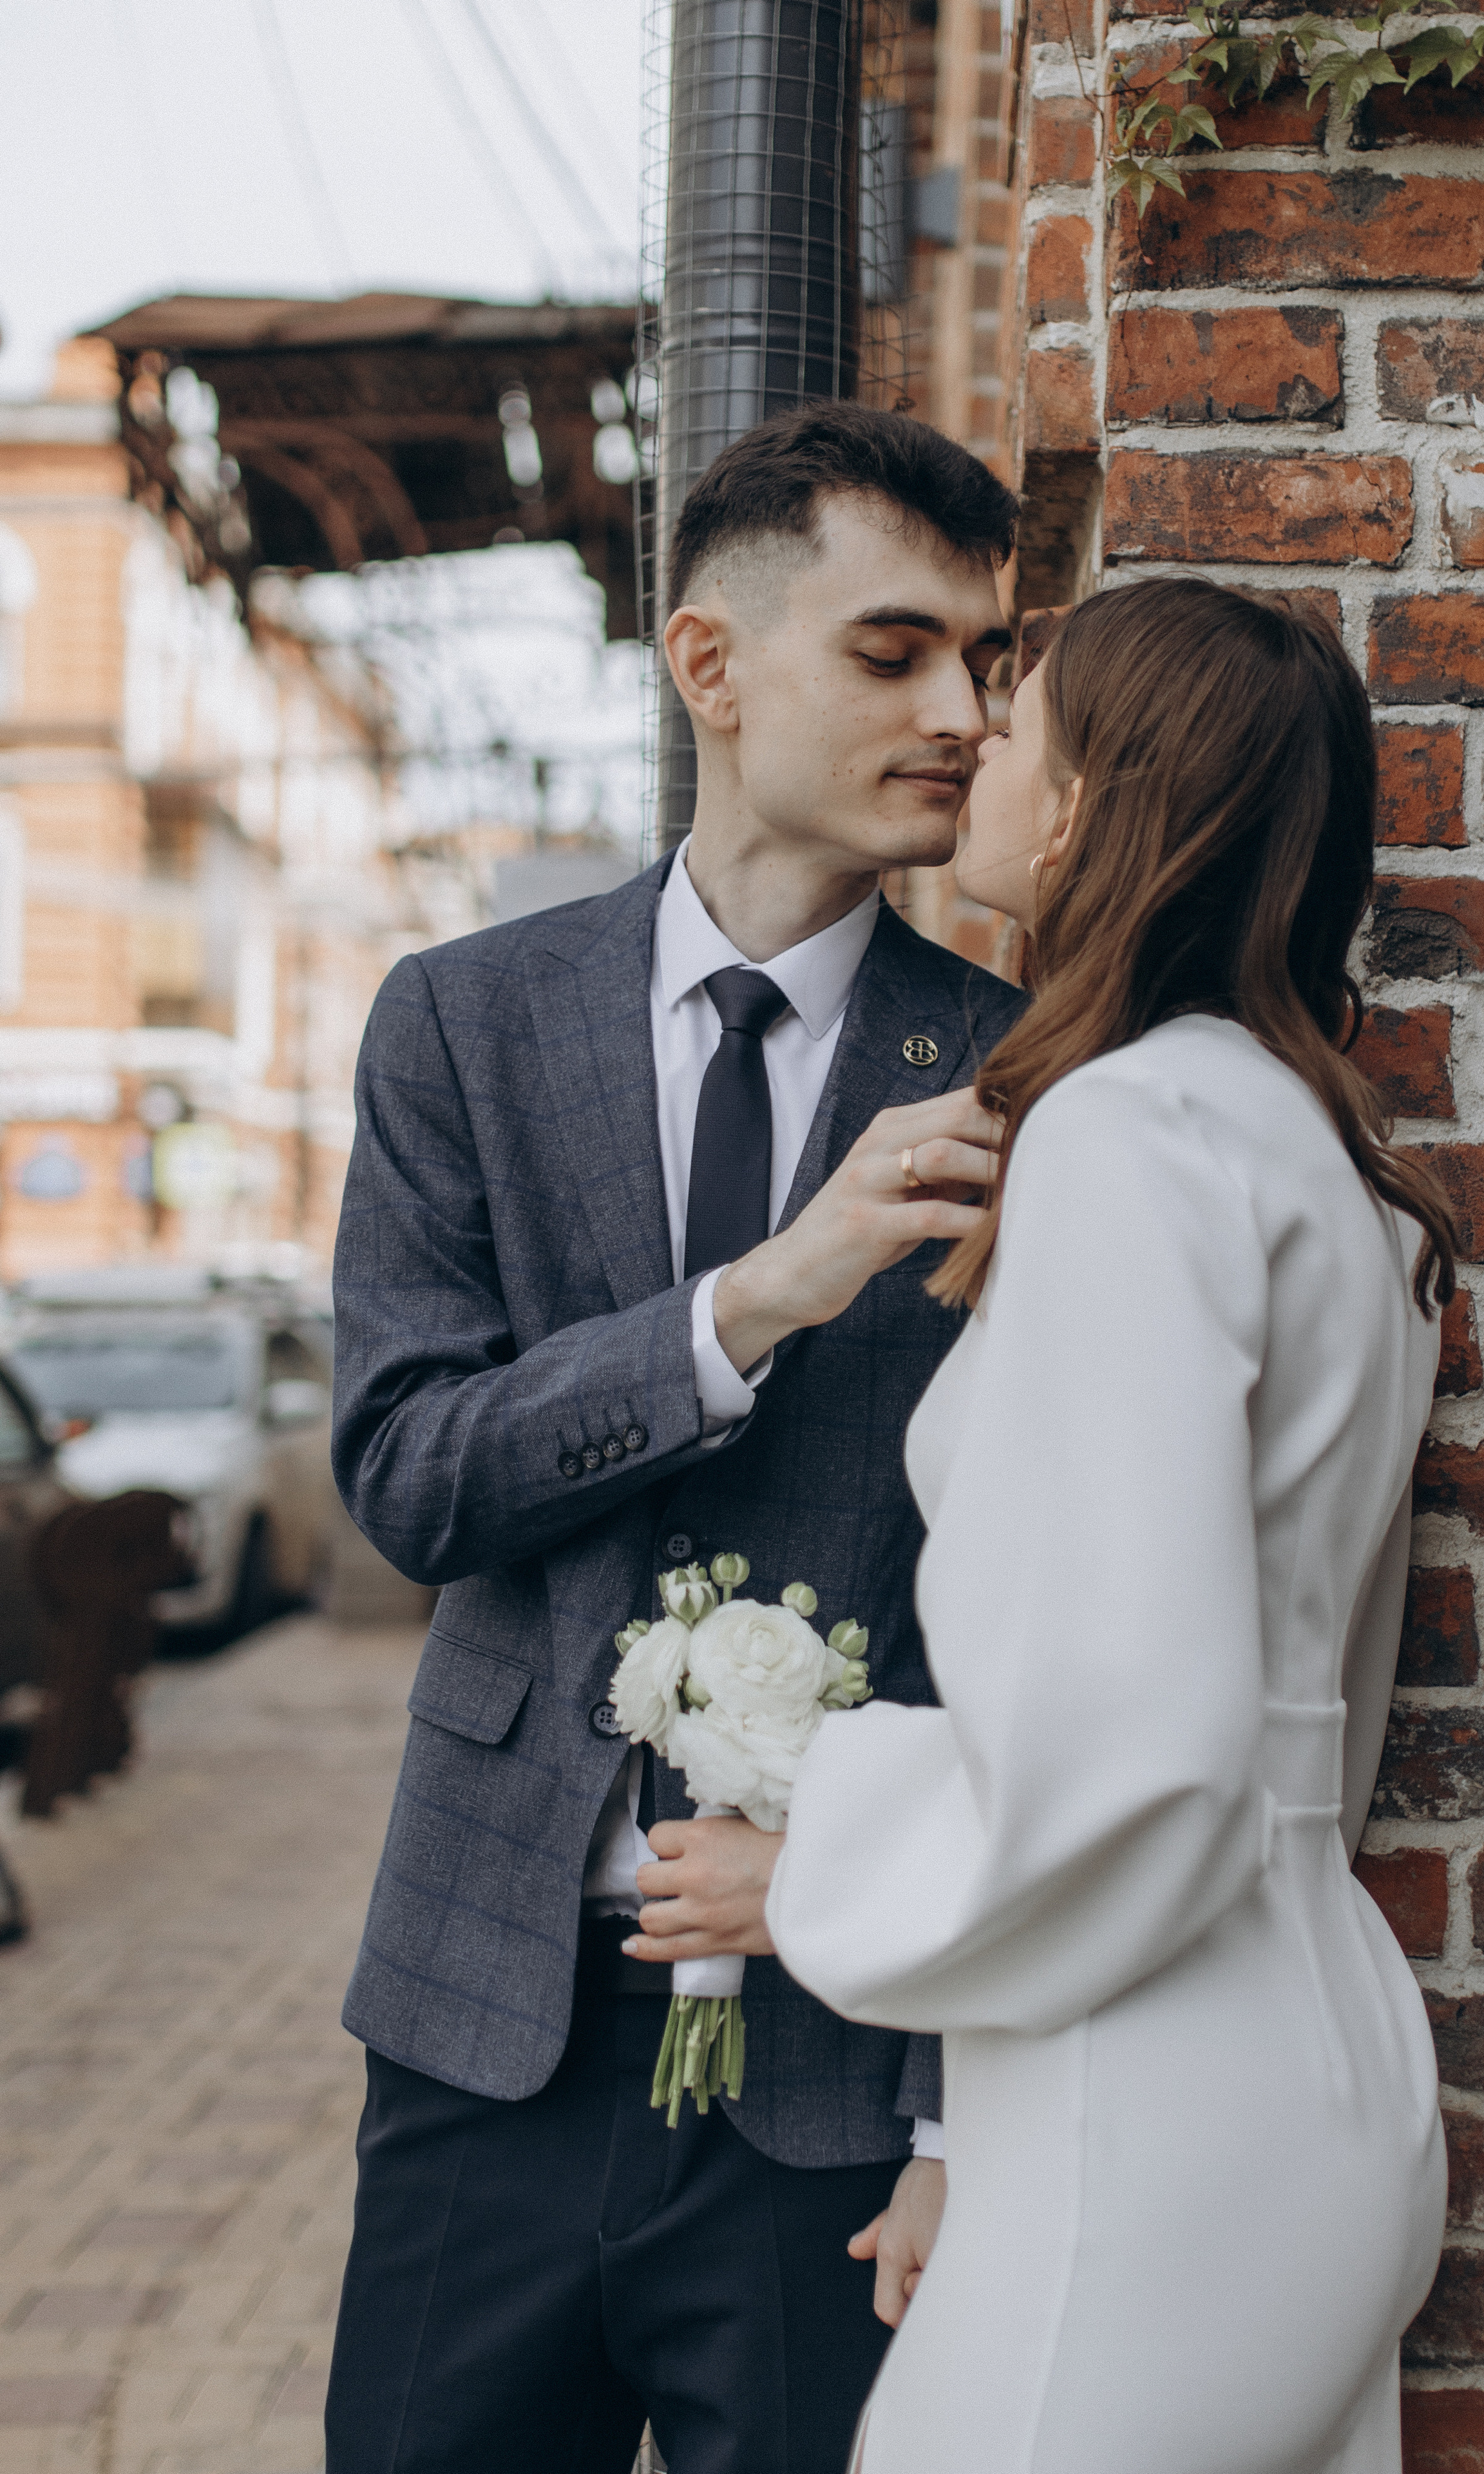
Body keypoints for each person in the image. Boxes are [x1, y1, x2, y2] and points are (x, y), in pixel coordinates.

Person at [322, 401, 1025, 2474]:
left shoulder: (1018, 1077)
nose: (965, 714)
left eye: (986, 660)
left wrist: (954, 2108)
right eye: (895, 653)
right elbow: (411, 1480)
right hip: (487, 2022)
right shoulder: (462, 1022)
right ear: (710, 662)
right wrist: (756, 1302)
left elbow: (1024, 1615)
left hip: (837, 2058)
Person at [766, 575, 1455, 2473]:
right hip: (1303, 2034)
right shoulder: (1323, 1150)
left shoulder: (1127, 1135)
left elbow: (1142, 1747)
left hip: (1149, 2077)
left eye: (1019, 719)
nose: (975, 744)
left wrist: (818, 1853)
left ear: (1088, 808)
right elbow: (1309, 1702)